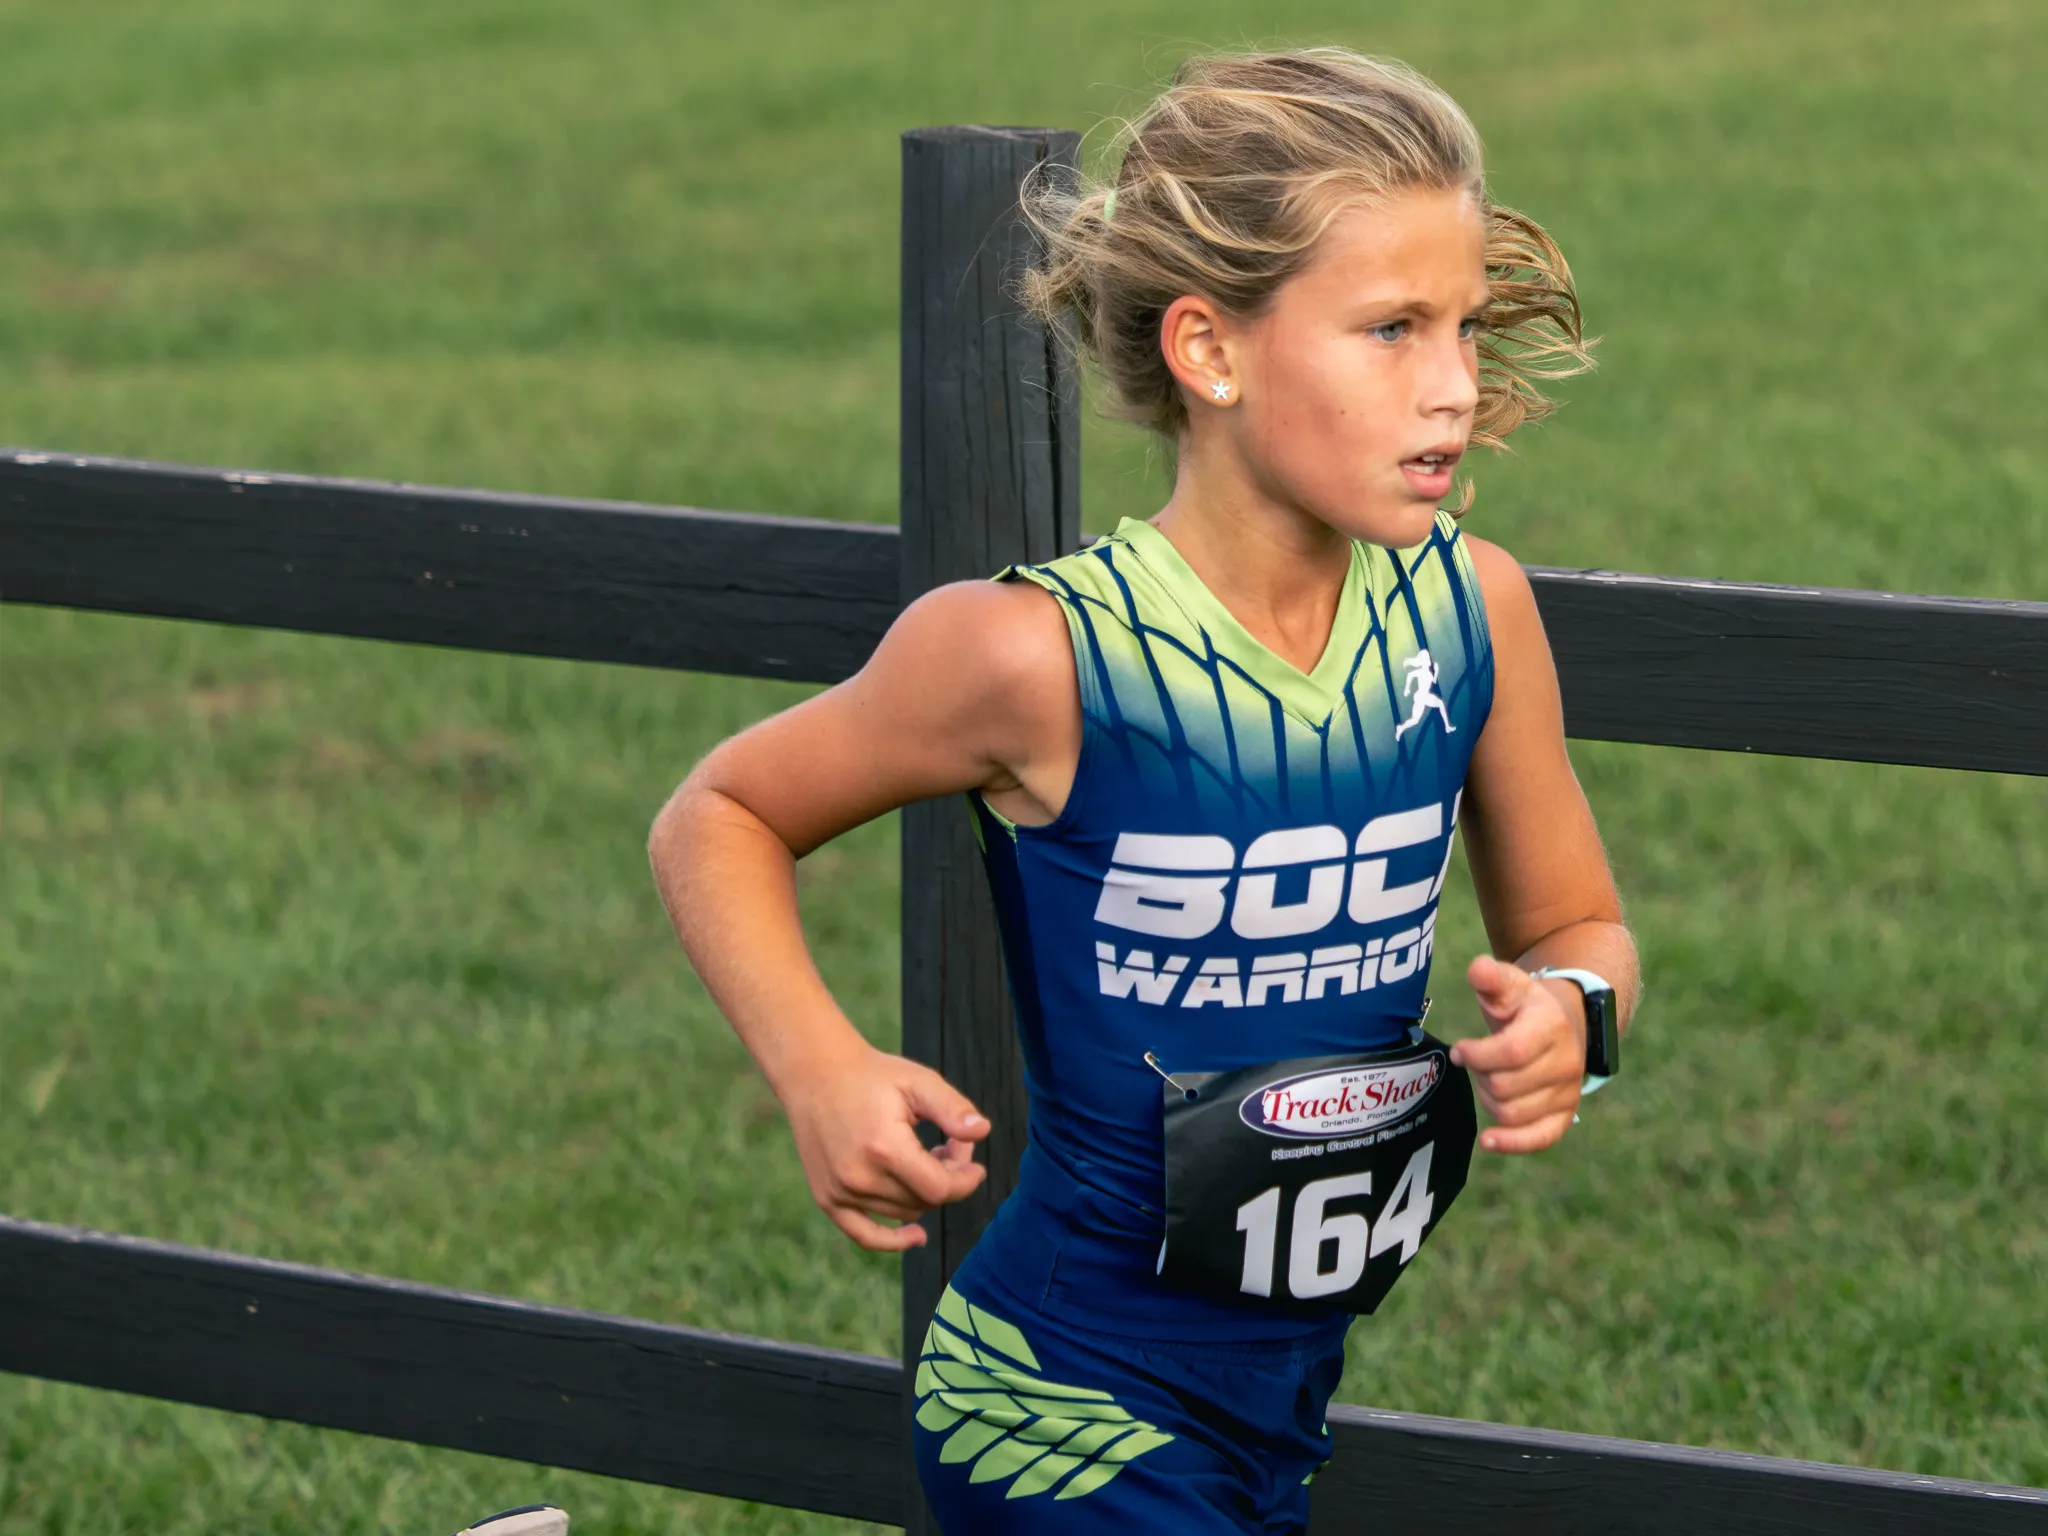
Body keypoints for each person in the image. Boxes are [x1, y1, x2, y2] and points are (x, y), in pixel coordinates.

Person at [649, 47, 1638, 1534]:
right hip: (1059, 1403)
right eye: (1391, 331)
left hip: (1282, 1405)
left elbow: (1578, 927)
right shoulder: (1035, 655)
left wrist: (1576, 1014)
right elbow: (720, 814)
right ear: (1209, 350)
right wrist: (822, 1071)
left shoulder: (1470, 610)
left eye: (1464, 328)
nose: (1453, 387)